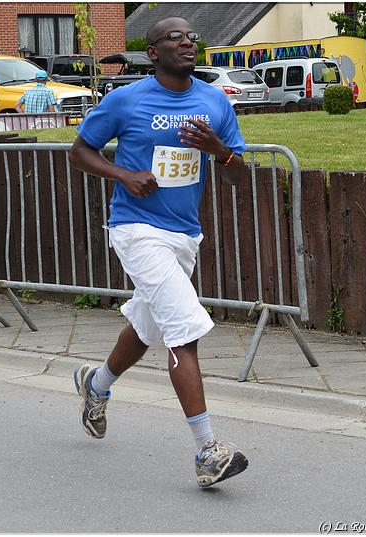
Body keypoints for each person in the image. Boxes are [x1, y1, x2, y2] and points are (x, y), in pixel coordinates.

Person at [68, 17, 249, 488]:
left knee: (147, 325)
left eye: (191, 36)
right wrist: (123, 175)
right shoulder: (126, 100)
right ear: (151, 52)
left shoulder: (213, 101)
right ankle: (207, 450)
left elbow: (238, 175)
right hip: (136, 229)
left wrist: (220, 151)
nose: (187, 42)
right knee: (183, 329)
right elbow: (80, 150)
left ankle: (95, 386)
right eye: (175, 37)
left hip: (185, 234)